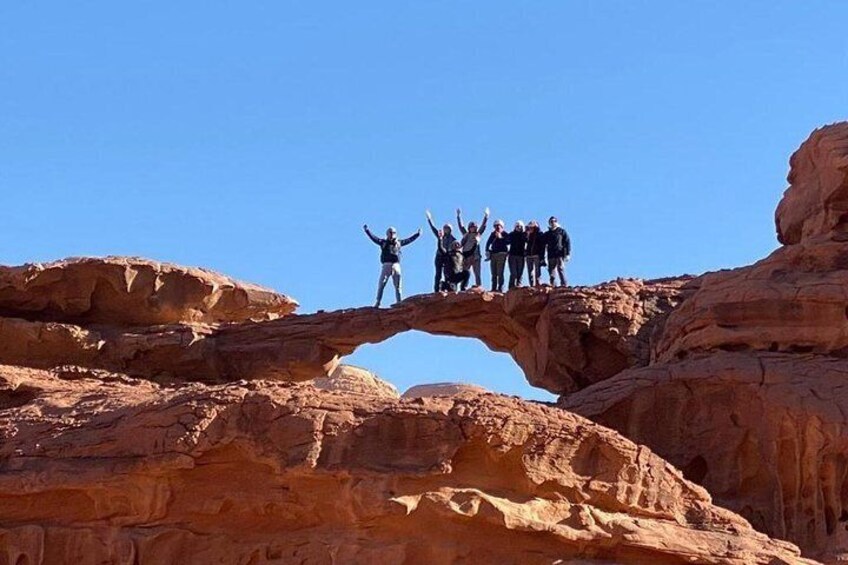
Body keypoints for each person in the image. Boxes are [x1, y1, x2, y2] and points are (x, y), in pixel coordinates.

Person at [363, 224, 421, 307]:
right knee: (382, 284)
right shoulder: (383, 242)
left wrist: (417, 234)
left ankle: (399, 302)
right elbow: (374, 238)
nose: (392, 234)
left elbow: (409, 240)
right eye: (390, 232)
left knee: (398, 285)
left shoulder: (398, 243)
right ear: (387, 234)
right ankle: (378, 302)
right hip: (386, 265)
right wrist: (367, 231)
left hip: (396, 265)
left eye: (393, 233)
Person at [457, 207, 489, 288]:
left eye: (475, 227)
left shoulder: (478, 234)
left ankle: (478, 286)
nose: (473, 228)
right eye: (472, 227)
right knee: (465, 272)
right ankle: (463, 287)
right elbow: (461, 226)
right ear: (469, 228)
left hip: (476, 257)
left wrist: (486, 217)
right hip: (466, 256)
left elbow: (483, 226)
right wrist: (458, 216)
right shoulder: (466, 234)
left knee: (477, 273)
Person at [425, 210, 456, 293]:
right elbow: (433, 228)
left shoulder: (453, 239)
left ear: (450, 230)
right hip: (439, 256)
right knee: (438, 273)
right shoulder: (440, 236)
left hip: (447, 258)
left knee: (447, 273)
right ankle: (436, 290)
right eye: (444, 228)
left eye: (447, 228)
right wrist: (429, 219)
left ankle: (447, 288)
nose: (445, 230)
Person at [545, 216, 571, 287]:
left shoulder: (561, 231)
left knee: (561, 269)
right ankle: (552, 285)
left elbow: (567, 242)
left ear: (557, 222)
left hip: (559, 254)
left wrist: (567, 253)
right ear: (549, 223)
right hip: (551, 255)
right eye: (551, 221)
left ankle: (564, 284)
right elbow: (542, 242)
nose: (553, 223)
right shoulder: (547, 234)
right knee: (551, 271)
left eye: (554, 221)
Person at [485, 219, 509, 292]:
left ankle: (500, 288)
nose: (497, 227)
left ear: (502, 226)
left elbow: (508, 242)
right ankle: (493, 288)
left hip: (502, 254)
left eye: (499, 226)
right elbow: (488, 243)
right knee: (494, 272)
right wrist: (487, 251)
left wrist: (501, 238)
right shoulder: (493, 234)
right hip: (493, 254)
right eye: (496, 226)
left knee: (500, 272)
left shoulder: (505, 234)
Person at [507, 220, 527, 289]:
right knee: (513, 273)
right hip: (512, 255)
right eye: (517, 226)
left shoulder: (524, 235)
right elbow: (506, 241)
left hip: (521, 256)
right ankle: (511, 287)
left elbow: (529, 241)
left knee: (520, 273)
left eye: (520, 226)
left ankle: (519, 285)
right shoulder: (512, 234)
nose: (518, 228)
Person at [525, 220, 545, 287]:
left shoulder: (540, 234)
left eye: (532, 227)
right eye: (530, 227)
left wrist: (542, 257)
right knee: (530, 271)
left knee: (537, 270)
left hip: (536, 254)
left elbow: (542, 246)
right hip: (529, 255)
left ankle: (537, 283)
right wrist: (527, 234)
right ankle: (531, 284)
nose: (530, 228)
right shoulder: (528, 235)